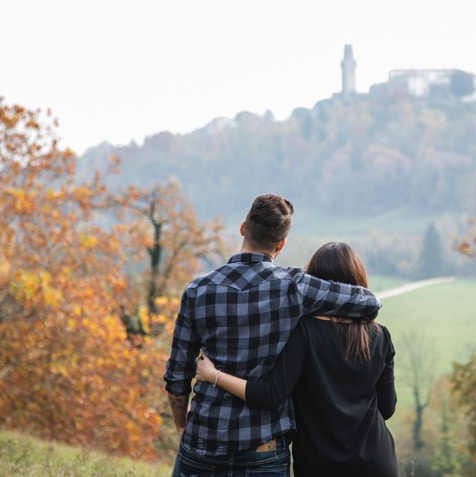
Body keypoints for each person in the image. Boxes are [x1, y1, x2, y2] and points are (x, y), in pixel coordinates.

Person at [164, 195, 382, 477]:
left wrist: (181, 425)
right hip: (264, 449)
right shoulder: (295, 288)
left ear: (243, 228)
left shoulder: (197, 291)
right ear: (281, 244)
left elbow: (177, 376)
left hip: (203, 440)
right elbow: (370, 302)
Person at [195, 241, 398, 477]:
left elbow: (270, 394)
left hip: (320, 464)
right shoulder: (380, 335)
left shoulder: (303, 330)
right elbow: (387, 407)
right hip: (377, 462)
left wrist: (213, 375)